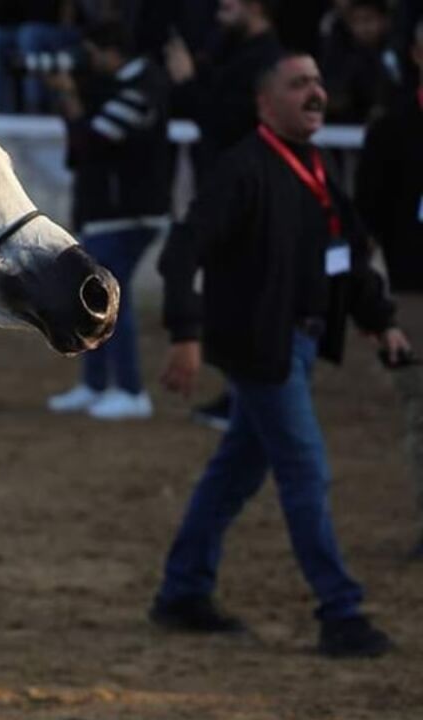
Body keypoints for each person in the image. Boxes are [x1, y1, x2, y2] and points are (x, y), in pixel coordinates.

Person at [151, 51, 410, 658]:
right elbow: (182, 251)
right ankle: (340, 611)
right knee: (306, 471)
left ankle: (182, 590)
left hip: (292, 345)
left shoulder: (314, 168)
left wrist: (379, 322)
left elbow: (343, 250)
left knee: (235, 474)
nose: (316, 92)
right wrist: (185, 333)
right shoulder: (242, 169)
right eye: (300, 85)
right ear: (266, 103)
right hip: (260, 350)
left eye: (319, 81)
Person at [164, 0, 283, 430]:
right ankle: (241, 397)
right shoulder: (233, 50)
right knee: (233, 294)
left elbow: (224, 119)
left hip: (246, 192)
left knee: (248, 295)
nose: (220, 8)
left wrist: (188, 80)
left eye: (231, 2)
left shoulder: (267, 58)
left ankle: (245, 400)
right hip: (226, 187)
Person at [44, 20, 171, 420]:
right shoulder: (120, 85)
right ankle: (96, 385)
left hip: (128, 213)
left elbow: (95, 142)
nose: (89, 62)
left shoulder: (143, 87)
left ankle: (132, 390)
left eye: (93, 53)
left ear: (112, 51)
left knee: (114, 300)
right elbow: (80, 150)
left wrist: (73, 100)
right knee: (97, 296)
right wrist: (69, 103)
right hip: (109, 212)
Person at [355, 18, 423, 557]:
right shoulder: (394, 129)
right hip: (414, 294)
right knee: (421, 412)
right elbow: (367, 221)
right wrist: (372, 308)